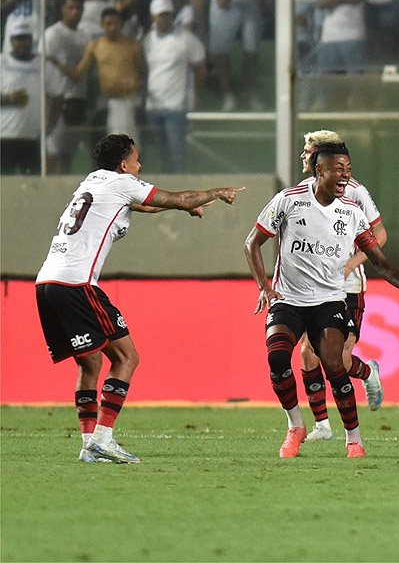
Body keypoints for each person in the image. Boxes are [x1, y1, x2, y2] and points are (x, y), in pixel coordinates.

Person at [36, 133, 244, 462]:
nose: (140, 164)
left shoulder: (95, 182)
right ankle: (103, 438)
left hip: (47, 282)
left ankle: (89, 445)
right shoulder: (121, 182)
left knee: (90, 363)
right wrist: (215, 193)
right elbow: (175, 197)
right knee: (126, 358)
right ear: (123, 165)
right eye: (136, 159)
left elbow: (138, 204)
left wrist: (180, 208)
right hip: (77, 283)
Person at [245, 141, 399, 458]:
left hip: (329, 302)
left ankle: (354, 439)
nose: (345, 175)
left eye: (348, 169)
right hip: (288, 299)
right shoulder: (288, 201)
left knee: (335, 364)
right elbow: (252, 243)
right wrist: (265, 287)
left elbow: (378, 257)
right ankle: (296, 425)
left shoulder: (351, 212)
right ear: (319, 170)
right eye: (338, 169)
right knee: (277, 357)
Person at [289, 131, 391, 442]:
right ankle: (322, 425)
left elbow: (380, 235)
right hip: (311, 288)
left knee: (338, 360)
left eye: (309, 151)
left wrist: (352, 262)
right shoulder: (299, 193)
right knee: (307, 353)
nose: (303, 156)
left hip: (346, 287)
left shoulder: (356, 192)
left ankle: (366, 371)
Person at [142, 0, 205, 173]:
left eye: (167, 15)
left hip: (176, 107)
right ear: (153, 16)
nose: (164, 18)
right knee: (162, 155)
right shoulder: (147, 40)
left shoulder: (185, 39)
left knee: (178, 154)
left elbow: (200, 67)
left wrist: (195, 93)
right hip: (153, 106)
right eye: (160, 15)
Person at [1, 17, 66, 174]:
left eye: (26, 38)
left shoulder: (43, 65)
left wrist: (50, 125)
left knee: (31, 182)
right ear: (11, 40)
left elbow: (58, 95)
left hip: (32, 135)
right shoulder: (2, 62)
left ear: (32, 40)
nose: (22, 42)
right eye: (18, 38)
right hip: (4, 134)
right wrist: (9, 99)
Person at [71, 7, 145, 141]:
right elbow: (78, 72)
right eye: (108, 24)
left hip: (128, 100)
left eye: (116, 24)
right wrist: (56, 63)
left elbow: (140, 71)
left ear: (121, 24)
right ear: (101, 24)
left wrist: (134, 84)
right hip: (106, 101)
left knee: (129, 144)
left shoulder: (131, 46)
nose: (112, 28)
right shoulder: (95, 45)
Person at [42, 0, 91, 173]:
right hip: (57, 98)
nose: (75, 12)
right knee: (52, 150)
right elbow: (44, 68)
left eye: (78, 8)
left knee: (68, 152)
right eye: (70, 8)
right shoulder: (51, 34)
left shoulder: (85, 37)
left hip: (78, 98)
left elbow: (81, 73)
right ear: (63, 8)